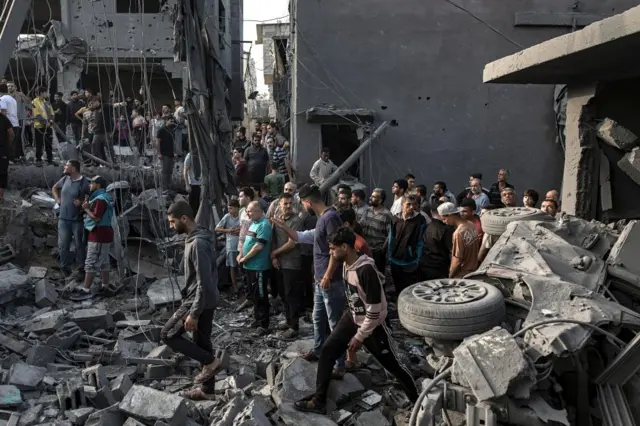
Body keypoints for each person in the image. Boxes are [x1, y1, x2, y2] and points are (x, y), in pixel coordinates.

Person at [293, 228, 418, 415]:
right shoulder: (346, 263)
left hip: (374, 325)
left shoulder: (365, 269)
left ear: (345, 247)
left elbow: (374, 310)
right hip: (353, 317)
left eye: (333, 249)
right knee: (327, 351)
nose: (331, 253)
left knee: (393, 366)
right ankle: (319, 401)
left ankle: (418, 400)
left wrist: (360, 336)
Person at [272, 184, 346, 376]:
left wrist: (328, 275)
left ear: (307, 202)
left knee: (334, 322)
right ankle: (319, 349)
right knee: (318, 318)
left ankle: (339, 364)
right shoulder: (323, 218)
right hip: (320, 280)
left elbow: (336, 250)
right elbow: (303, 237)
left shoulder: (330, 218)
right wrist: (283, 227)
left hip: (329, 281)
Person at [162, 201, 222, 400]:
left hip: (198, 299)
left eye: (173, 222)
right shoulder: (197, 237)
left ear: (184, 219)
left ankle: (211, 362)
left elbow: (203, 281)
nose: (171, 226)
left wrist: (194, 313)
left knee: (168, 334)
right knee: (202, 341)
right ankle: (208, 392)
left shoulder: (197, 243)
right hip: (206, 298)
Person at [271, 193, 303, 340]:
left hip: (292, 263)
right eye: (286, 203)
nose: (289, 206)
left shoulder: (296, 221)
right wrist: (275, 257)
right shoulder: (277, 220)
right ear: (280, 205)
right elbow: (273, 239)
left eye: (291, 203)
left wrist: (274, 253)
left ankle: (294, 327)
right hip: (279, 263)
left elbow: (291, 243)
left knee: (292, 295)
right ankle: (288, 320)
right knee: (283, 293)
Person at [52, 160, 91, 281]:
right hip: (63, 219)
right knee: (63, 245)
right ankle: (65, 270)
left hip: (77, 220)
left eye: (67, 166)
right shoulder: (65, 179)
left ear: (73, 169)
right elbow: (54, 188)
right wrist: (58, 199)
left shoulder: (84, 183)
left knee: (80, 245)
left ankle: (81, 270)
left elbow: (92, 198)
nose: (64, 167)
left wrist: (82, 203)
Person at [238, 201, 273, 335]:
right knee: (254, 295)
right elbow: (247, 241)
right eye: (247, 210)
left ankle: (264, 324)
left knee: (261, 295)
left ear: (258, 211)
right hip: (249, 266)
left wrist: (245, 258)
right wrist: (241, 254)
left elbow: (258, 246)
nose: (248, 213)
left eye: (250, 211)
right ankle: (257, 319)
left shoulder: (264, 225)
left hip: (259, 267)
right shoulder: (253, 223)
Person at [77, 176, 114, 297]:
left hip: (98, 234)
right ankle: (105, 287)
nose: (89, 185)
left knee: (91, 262)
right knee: (104, 262)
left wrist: (86, 209)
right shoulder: (104, 197)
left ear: (98, 185)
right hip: (105, 233)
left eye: (92, 183)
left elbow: (96, 218)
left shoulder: (100, 199)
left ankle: (86, 290)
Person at [387, 195, 427, 295]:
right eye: (408, 204)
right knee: (397, 285)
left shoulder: (420, 220)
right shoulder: (395, 218)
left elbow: (420, 241)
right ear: (402, 204)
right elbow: (391, 238)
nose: (411, 207)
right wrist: (390, 255)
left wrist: (417, 260)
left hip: (410, 261)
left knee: (408, 288)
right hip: (395, 259)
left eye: (414, 205)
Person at [438, 202, 481, 278]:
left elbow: (457, 260)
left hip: (462, 274)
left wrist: (450, 276)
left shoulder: (458, 233)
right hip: (474, 269)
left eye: (444, 219)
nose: (444, 222)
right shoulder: (470, 224)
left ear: (451, 215)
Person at [418, 200, 454, 280]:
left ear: (431, 211)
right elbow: (452, 252)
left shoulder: (427, 226)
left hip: (424, 266)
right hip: (439, 269)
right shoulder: (446, 229)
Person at [361, 188, 393, 274]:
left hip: (378, 251)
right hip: (366, 249)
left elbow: (391, 234)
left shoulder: (387, 214)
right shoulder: (367, 211)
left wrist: (383, 249)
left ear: (380, 200)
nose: (370, 198)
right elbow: (361, 225)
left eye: (374, 197)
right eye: (371, 196)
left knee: (379, 274)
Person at [216, 200, 241, 292]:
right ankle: (235, 286)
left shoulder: (242, 216)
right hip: (231, 245)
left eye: (231, 208)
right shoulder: (227, 217)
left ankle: (243, 282)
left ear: (237, 208)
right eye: (228, 208)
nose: (229, 210)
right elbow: (217, 228)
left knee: (242, 265)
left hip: (241, 244)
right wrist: (229, 230)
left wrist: (239, 231)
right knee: (232, 266)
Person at [32, 87, 56, 166]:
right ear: (41, 93)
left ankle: (50, 159)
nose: (47, 94)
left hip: (48, 126)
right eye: (46, 92)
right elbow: (37, 115)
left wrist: (51, 122)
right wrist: (46, 123)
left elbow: (52, 114)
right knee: (39, 143)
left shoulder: (47, 102)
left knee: (49, 143)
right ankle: (38, 159)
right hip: (39, 127)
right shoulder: (34, 102)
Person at [157, 116, 177, 189]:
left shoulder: (172, 130)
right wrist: (159, 153)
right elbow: (158, 142)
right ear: (166, 121)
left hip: (171, 153)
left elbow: (173, 142)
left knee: (170, 171)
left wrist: (174, 152)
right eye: (170, 121)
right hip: (164, 153)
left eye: (173, 121)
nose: (172, 123)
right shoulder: (161, 130)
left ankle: (169, 186)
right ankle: (163, 187)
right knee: (165, 171)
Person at [0, 112, 14, 201]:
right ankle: (0, 195)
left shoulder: (4, 118)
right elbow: (12, 134)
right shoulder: (3, 118)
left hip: (3, 149)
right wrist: (8, 145)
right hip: (3, 149)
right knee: (2, 172)